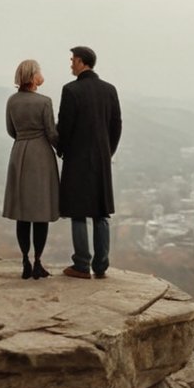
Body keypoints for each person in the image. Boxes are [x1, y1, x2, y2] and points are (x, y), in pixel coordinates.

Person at [57, 44, 122, 280]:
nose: (71, 64)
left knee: (78, 212)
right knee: (101, 212)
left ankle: (82, 264)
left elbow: (64, 127)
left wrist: (61, 149)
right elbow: (116, 126)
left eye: (73, 60)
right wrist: (108, 151)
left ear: (82, 62)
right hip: (101, 159)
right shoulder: (109, 90)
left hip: (77, 159)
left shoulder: (71, 90)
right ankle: (102, 265)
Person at [2, 58, 60, 279]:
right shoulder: (44, 101)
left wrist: (23, 140)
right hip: (41, 155)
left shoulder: (12, 101)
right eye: (39, 71)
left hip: (19, 153)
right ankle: (37, 262)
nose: (41, 74)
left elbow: (11, 130)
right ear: (33, 76)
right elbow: (52, 133)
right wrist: (62, 148)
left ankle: (25, 260)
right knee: (41, 211)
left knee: (23, 212)